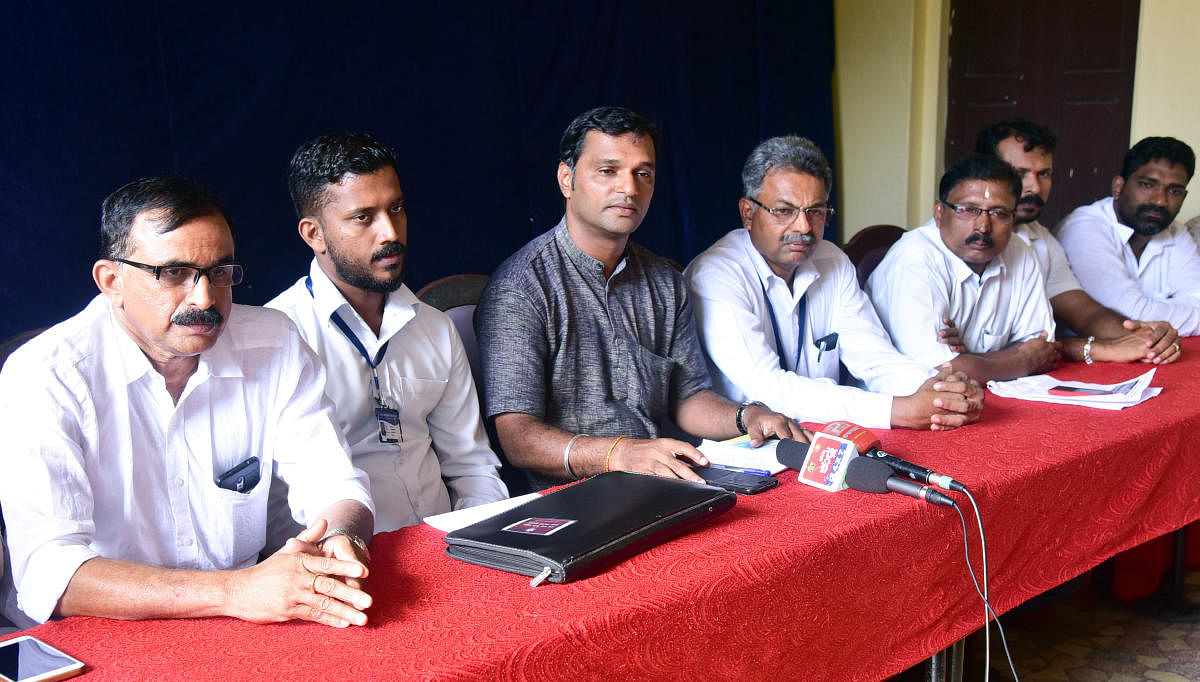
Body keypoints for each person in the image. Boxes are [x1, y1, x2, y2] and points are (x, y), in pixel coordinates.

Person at [0, 177, 374, 629]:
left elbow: (333, 481)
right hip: (95, 633)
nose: (204, 298)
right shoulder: (44, 374)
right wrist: (235, 591)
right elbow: (51, 573)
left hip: (243, 620)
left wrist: (341, 541)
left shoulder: (274, 342)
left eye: (219, 272)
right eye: (174, 273)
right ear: (111, 281)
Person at [475, 106, 805, 492]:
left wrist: (747, 415)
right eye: (608, 171)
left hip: (656, 481)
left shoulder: (664, 281)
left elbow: (688, 398)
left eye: (642, 174)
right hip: (565, 499)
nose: (629, 189)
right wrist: (620, 453)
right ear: (567, 180)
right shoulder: (521, 287)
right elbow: (518, 439)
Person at [268, 133, 507, 533]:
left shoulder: (435, 328)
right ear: (314, 234)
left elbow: (472, 465)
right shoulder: (279, 337)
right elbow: (276, 503)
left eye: (396, 208)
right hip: (343, 561)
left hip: (445, 548)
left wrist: (481, 547)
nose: (390, 233)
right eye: (363, 217)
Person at [683, 135, 983, 431]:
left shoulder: (832, 260)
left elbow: (875, 357)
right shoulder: (716, 275)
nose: (803, 227)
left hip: (822, 435)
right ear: (748, 213)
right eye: (784, 211)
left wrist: (942, 391)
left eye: (815, 211)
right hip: (740, 451)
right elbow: (769, 390)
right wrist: (897, 410)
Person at [973, 120, 1180, 364]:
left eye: (1045, 174)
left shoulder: (1039, 238)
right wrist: (1099, 350)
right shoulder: (954, 242)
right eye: (1020, 174)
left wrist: (1147, 338)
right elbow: (976, 350)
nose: (1035, 187)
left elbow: (1083, 311)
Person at [866, 155, 1061, 383]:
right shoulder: (914, 258)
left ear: (1013, 218)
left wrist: (969, 359)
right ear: (939, 213)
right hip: (904, 403)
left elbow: (1042, 347)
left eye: (999, 213)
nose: (983, 226)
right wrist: (1022, 362)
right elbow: (939, 372)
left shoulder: (1019, 251)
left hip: (987, 396)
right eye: (968, 210)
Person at [1057, 137, 1200, 336]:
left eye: (1174, 191)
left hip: (1151, 354)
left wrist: (1149, 312)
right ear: (1118, 187)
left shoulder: (1175, 231)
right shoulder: (1083, 227)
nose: (1160, 201)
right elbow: (1128, 316)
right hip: (1086, 360)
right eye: (1147, 185)